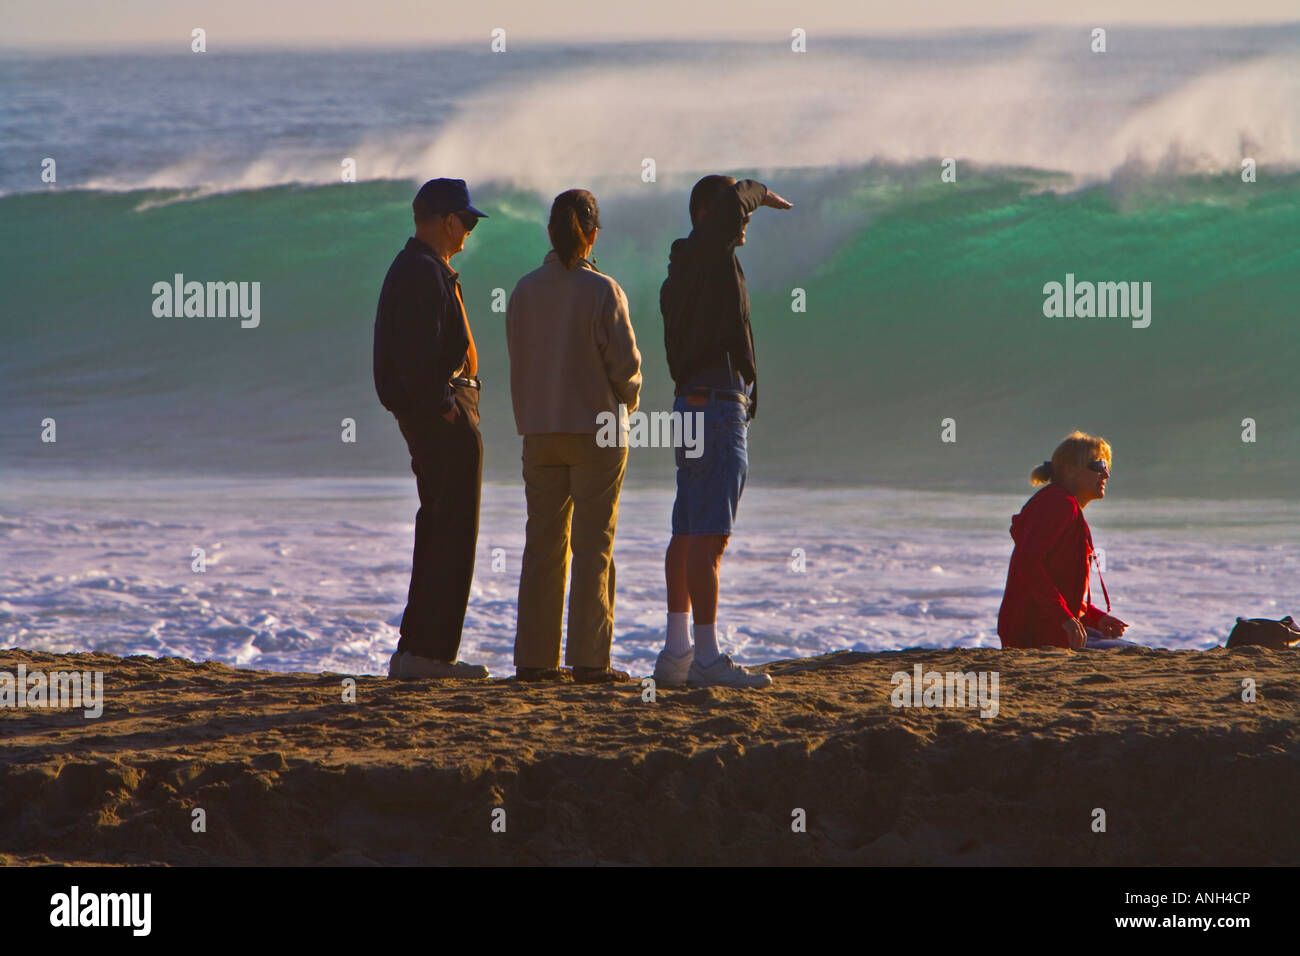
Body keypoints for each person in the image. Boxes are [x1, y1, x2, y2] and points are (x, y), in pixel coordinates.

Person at [654, 175, 792, 688]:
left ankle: (676, 653)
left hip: (692, 406)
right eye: (738, 209)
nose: (747, 218)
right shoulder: (706, 256)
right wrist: (760, 191)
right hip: (714, 410)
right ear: (708, 215)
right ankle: (708, 659)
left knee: (688, 532)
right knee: (709, 538)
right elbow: (734, 206)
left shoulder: (683, 272)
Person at [505, 190, 642, 684]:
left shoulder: (523, 290)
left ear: (551, 232)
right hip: (596, 433)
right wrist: (630, 402)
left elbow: (519, 356)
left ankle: (535, 660)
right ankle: (589, 660)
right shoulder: (604, 291)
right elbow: (625, 370)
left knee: (542, 544)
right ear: (592, 234)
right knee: (593, 544)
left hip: (539, 432)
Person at [374, 178, 492, 679]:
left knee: (441, 526)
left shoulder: (422, 268)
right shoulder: (421, 272)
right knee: (451, 531)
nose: (468, 229)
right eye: (465, 220)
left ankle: (420, 651)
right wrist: (445, 408)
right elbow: (416, 359)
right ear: (447, 221)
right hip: (443, 416)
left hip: (443, 411)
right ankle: (429, 654)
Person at [997, 431, 1133, 650]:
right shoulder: (1059, 503)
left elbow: (1058, 582)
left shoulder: (1061, 503)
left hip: (1051, 627)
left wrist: (1094, 618)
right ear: (1071, 470)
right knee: (1133, 654)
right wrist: (1065, 620)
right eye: (1099, 465)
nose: (1106, 474)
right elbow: (1028, 563)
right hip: (1037, 634)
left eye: (1107, 466)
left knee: (1134, 650)